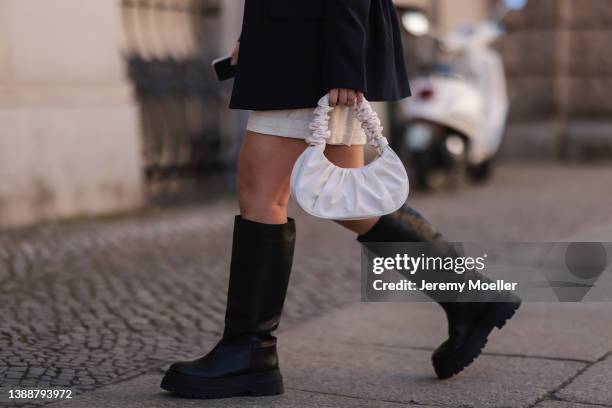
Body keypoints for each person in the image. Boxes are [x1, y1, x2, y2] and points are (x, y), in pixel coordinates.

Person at [161, 0, 520, 399]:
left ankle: (248, 351)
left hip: (309, 51)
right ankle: (469, 296)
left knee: (261, 195)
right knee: (347, 199)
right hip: (304, 43)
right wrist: (254, 34)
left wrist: (345, 66)